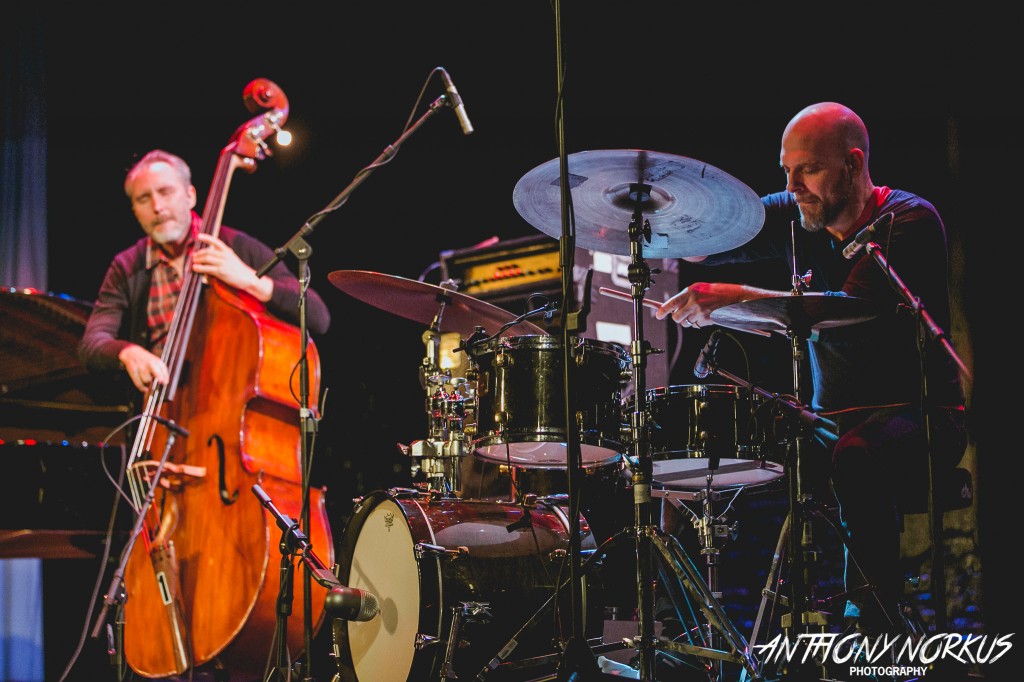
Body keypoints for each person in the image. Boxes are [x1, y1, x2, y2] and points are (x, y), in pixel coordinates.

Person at [655, 102, 968, 633]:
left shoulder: (909, 219)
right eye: (786, 170)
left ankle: (876, 621)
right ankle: (766, 624)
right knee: (750, 455)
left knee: (856, 456)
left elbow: (852, 306)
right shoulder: (798, 216)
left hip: (921, 415)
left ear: (852, 164)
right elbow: (720, 236)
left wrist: (736, 297)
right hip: (830, 419)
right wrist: (673, 220)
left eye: (809, 170)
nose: (793, 184)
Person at [79, 149, 331, 393]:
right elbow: (92, 344)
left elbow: (319, 317)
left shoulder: (236, 247)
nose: (157, 206)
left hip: (229, 402)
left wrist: (248, 279)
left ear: (190, 196)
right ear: (134, 210)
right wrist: (127, 352)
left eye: (166, 192)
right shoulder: (128, 266)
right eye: (143, 198)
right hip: (163, 411)